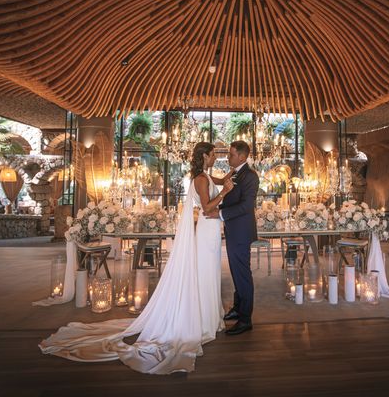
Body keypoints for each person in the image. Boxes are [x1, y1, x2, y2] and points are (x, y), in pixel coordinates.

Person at [39, 142, 234, 374]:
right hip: (205, 230)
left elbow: (224, 180)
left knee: (210, 274)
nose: (215, 158)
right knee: (204, 274)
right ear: (205, 156)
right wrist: (224, 193)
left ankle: (209, 317)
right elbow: (205, 207)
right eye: (213, 155)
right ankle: (201, 320)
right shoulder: (201, 180)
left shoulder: (208, 177)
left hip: (212, 232)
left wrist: (236, 170)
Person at [204, 140, 259, 336]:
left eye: (231, 154)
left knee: (242, 274)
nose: (228, 157)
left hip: (241, 231)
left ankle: (245, 319)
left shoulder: (250, 176)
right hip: (234, 229)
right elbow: (224, 188)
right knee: (236, 272)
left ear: (242, 157)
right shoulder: (236, 172)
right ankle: (237, 308)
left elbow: (246, 206)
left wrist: (219, 214)